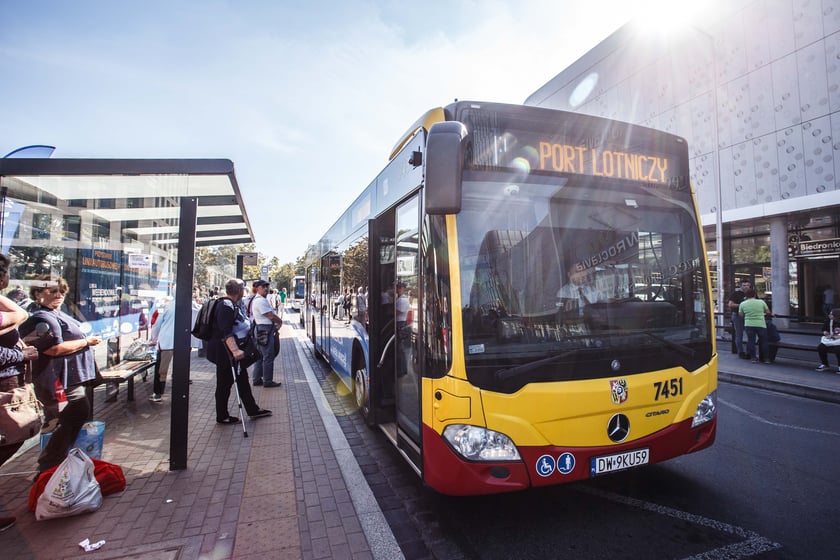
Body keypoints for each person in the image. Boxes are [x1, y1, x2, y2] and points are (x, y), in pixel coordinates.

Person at [19, 276, 102, 477]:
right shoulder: (40, 318)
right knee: (71, 417)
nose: (58, 295)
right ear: (38, 294)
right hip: (58, 381)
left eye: (61, 292)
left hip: (68, 379)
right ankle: (47, 470)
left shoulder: (54, 313)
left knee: (64, 421)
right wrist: (86, 342)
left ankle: (53, 470)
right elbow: (52, 349)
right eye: (52, 291)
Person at [205, 278, 271, 424]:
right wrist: (235, 350)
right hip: (226, 354)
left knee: (242, 381)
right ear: (240, 291)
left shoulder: (231, 304)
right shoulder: (226, 306)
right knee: (224, 384)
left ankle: (252, 409)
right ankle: (222, 416)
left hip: (231, 353)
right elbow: (225, 331)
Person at [249, 279, 283, 387]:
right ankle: (267, 381)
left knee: (260, 356)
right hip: (265, 329)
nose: (265, 288)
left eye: (266, 286)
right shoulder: (260, 300)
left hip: (262, 328)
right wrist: (280, 321)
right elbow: (270, 315)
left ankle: (257, 378)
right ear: (257, 288)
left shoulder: (259, 299)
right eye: (263, 287)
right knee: (268, 356)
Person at [148, 296, 175, 402]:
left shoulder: (166, 307)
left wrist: (154, 339)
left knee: (161, 369)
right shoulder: (181, 306)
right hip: (178, 342)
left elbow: (156, 325)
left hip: (165, 342)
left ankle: (158, 393)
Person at [738, 287, 770, 364]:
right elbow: (768, 312)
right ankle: (766, 358)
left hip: (749, 324)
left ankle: (753, 358)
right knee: (764, 341)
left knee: (751, 341)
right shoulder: (761, 302)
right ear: (755, 294)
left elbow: (741, 315)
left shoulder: (743, 304)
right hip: (761, 324)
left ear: (746, 295)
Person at [728, 279, 751, 359]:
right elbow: (730, 304)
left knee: (750, 334)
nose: (746, 287)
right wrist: (742, 305)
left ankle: (749, 352)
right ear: (740, 286)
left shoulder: (752, 294)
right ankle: (740, 352)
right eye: (744, 285)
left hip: (749, 316)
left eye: (747, 285)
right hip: (738, 315)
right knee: (739, 334)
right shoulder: (736, 294)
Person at [815, 308, 840, 372]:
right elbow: (824, 329)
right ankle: (825, 364)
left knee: (838, 349)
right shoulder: (828, 320)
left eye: (831, 314)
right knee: (821, 347)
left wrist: (838, 336)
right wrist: (825, 332)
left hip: (838, 340)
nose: (829, 315)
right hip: (831, 339)